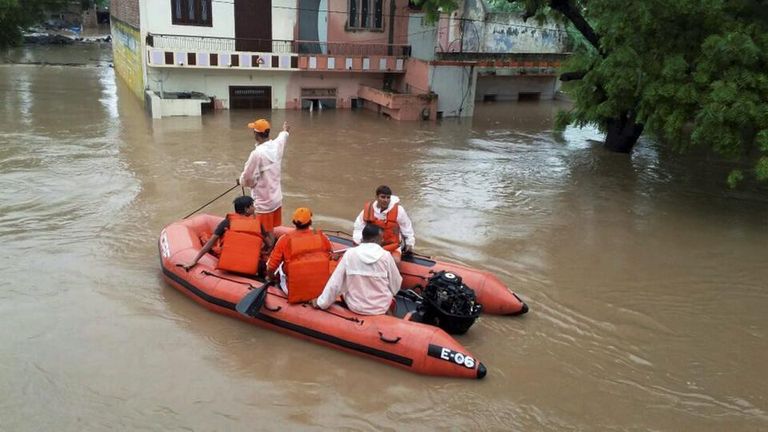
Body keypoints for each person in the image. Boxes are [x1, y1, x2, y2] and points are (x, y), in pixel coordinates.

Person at [312, 224, 403, 316]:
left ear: (363, 237)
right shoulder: (386, 256)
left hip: (355, 307)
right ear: (378, 238)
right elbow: (396, 284)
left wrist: (321, 303)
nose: (383, 240)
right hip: (380, 308)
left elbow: (335, 283)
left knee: (344, 287)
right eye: (382, 238)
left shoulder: (350, 254)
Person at [182, 196, 269, 274]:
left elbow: (210, 243)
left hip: (229, 265)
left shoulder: (226, 222)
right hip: (251, 267)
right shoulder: (257, 224)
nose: (254, 208)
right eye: (252, 206)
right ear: (247, 209)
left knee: (216, 247)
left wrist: (194, 260)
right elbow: (268, 243)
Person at [266, 207, 334, 304]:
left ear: (294, 222)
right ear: (310, 222)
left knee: (280, 268)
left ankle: (278, 286)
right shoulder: (321, 236)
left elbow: (270, 267)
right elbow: (330, 254)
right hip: (321, 289)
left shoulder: (285, 239)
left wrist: (270, 278)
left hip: (293, 289)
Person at [239, 119, 290, 232]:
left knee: (265, 233)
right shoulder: (276, 146)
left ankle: (268, 247)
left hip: (263, 204)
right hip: (276, 199)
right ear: (268, 132)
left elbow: (248, 178)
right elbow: (283, 137)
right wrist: (285, 131)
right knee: (271, 229)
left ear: (256, 134)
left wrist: (241, 181)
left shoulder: (257, 154)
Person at [352, 185, 415, 262]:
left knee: (396, 261)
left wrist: (410, 243)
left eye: (388, 197)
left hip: (392, 246)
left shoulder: (399, 211)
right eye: (383, 197)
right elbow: (358, 227)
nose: (386, 200)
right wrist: (359, 242)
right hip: (372, 245)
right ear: (376, 197)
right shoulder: (368, 210)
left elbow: (407, 228)